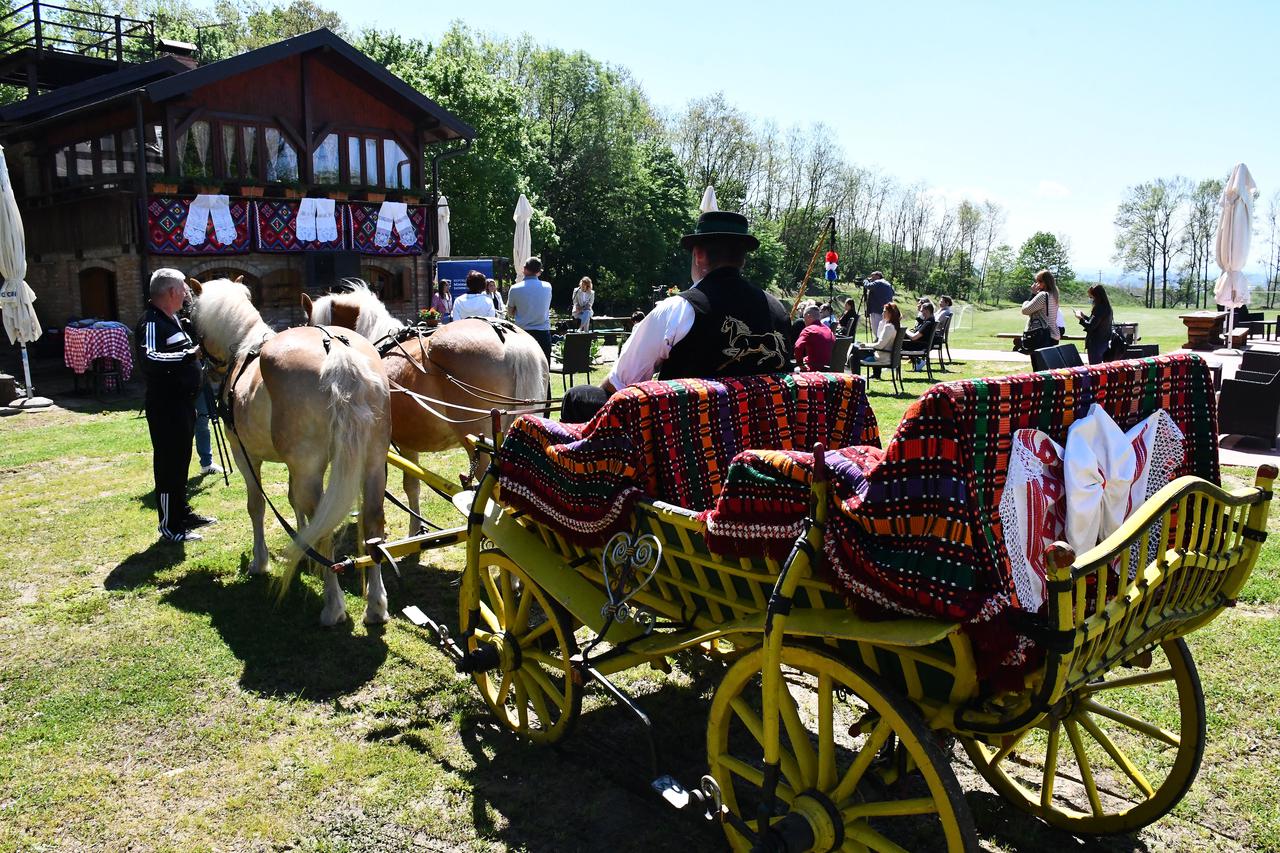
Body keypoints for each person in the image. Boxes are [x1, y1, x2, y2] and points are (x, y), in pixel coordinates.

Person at [560, 211, 789, 422]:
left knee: (579, 396)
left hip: (687, 444)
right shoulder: (778, 311)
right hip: (762, 439)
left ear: (698, 255)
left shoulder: (680, 308)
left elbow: (619, 383)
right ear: (743, 259)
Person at [134, 268, 214, 542]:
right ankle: (170, 526)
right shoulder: (152, 322)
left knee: (181, 462)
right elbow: (150, 359)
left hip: (183, 405)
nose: (187, 293)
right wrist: (188, 355)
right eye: (184, 288)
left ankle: (182, 513)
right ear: (171, 292)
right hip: (166, 407)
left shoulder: (174, 320)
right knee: (169, 465)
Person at [508, 257, 553, 361]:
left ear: (524, 269)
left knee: (523, 371)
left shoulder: (514, 288)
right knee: (544, 371)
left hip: (522, 333)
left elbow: (510, 313)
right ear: (539, 272)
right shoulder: (547, 287)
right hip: (543, 333)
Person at [854, 301, 902, 377]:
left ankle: (856, 378)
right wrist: (883, 322)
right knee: (856, 345)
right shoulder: (897, 326)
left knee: (854, 350)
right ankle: (875, 374)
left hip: (882, 358)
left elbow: (879, 345)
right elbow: (880, 338)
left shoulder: (889, 327)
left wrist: (865, 345)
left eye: (884, 311)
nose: (882, 314)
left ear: (890, 313)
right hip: (889, 355)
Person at [1021, 269, 1061, 353]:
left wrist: (1032, 295)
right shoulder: (1054, 294)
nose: (1037, 284)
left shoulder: (1043, 295)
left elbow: (1025, 310)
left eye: (1039, 281)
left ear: (1045, 282)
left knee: (1038, 365)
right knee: (1050, 365)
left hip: (1042, 336)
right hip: (1053, 335)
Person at [1075, 284, 1114, 364]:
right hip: (1104, 342)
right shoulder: (1107, 307)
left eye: (1091, 297)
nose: (1091, 299)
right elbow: (1094, 321)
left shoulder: (1098, 308)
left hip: (1096, 343)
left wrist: (1080, 318)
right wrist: (1084, 317)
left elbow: (1091, 326)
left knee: (1095, 369)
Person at [794, 304, 835, 371]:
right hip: (830, 368)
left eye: (804, 318)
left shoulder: (808, 330)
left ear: (808, 316)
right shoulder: (828, 330)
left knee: (794, 370)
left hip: (814, 369)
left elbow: (797, 347)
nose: (804, 321)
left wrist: (800, 363)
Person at [902, 301, 936, 371]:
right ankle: (918, 361)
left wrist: (905, 330)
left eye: (922, 310)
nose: (921, 312)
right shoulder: (931, 321)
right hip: (922, 343)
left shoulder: (928, 323)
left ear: (927, 311)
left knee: (897, 342)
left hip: (920, 345)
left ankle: (890, 364)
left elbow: (914, 337)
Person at [864, 271, 894, 339]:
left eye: (872, 276)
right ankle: (881, 343)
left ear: (878, 276)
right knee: (883, 329)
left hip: (876, 310)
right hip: (886, 311)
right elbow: (893, 293)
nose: (871, 278)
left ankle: (878, 344)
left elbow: (867, 286)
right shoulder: (888, 283)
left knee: (876, 330)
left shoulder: (878, 282)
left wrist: (865, 281)